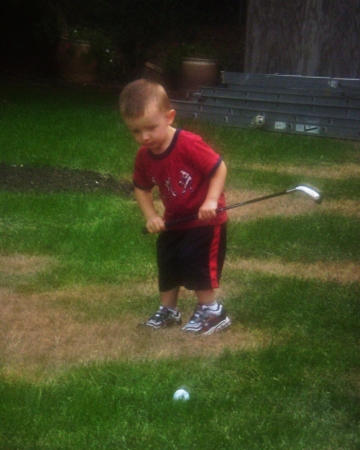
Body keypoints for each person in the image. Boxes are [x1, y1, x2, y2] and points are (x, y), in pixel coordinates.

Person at [119, 79, 230, 335]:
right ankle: (169, 311)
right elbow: (141, 187)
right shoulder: (144, 156)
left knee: (196, 261)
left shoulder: (188, 143)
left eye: (150, 128)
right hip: (174, 220)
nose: (144, 137)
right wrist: (151, 216)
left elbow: (218, 168)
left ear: (169, 117)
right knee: (168, 261)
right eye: (135, 131)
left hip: (205, 220)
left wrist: (211, 201)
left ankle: (212, 311)